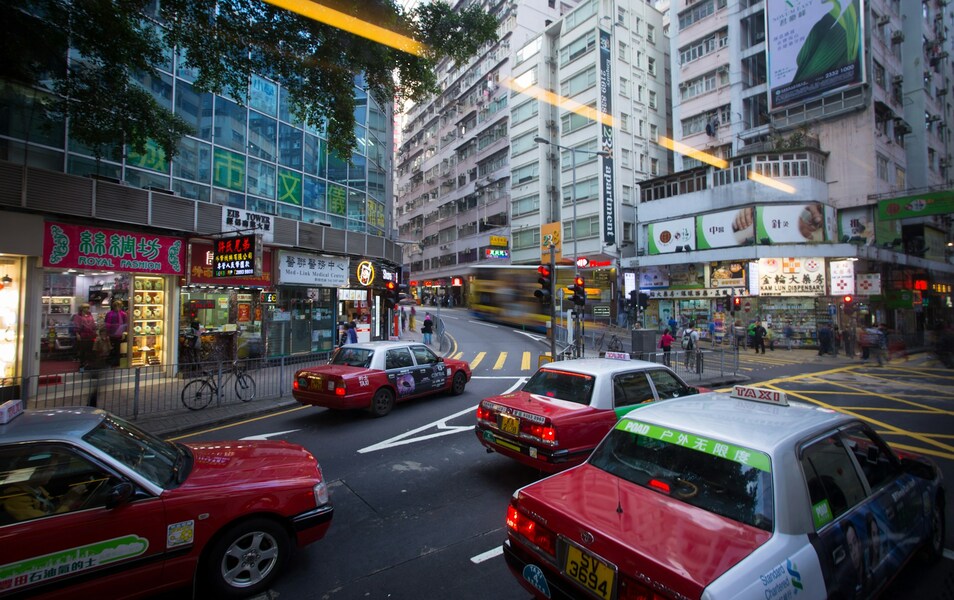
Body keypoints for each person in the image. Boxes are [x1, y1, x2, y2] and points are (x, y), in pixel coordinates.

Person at [3, 453, 90, 521]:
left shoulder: (35, 488)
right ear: (36, 471)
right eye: (51, 469)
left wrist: (67, 497)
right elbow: (48, 522)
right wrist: (69, 502)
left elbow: (49, 504)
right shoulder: (15, 499)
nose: (53, 473)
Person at [87, 327, 112, 407]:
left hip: (104, 359)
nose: (104, 335)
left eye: (105, 333)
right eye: (103, 333)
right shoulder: (98, 340)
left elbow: (109, 347)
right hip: (98, 360)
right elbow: (95, 349)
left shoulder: (107, 340)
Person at [71, 303, 97, 370]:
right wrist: (77, 334)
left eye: (88, 308)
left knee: (90, 352)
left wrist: (95, 331)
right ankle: (81, 368)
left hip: (91, 336)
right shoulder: (78, 316)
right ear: (82, 308)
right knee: (82, 352)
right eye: (85, 308)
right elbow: (76, 325)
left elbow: (93, 324)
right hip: (82, 335)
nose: (87, 309)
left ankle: (89, 366)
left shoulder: (90, 315)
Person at [103, 300, 127, 367]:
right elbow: (107, 324)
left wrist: (123, 333)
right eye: (116, 306)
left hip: (119, 335)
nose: (118, 307)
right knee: (111, 348)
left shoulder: (123, 314)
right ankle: (112, 361)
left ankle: (116, 362)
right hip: (112, 334)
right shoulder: (110, 314)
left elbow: (125, 324)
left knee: (118, 349)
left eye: (119, 306)